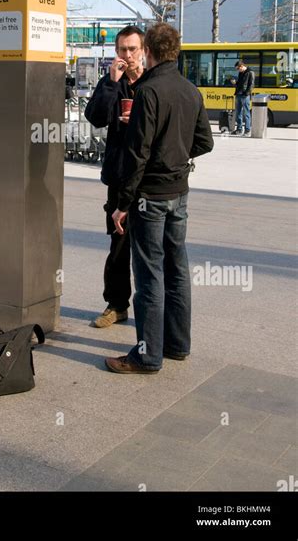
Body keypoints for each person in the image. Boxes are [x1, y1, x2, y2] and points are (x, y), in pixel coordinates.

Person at [105, 22, 214, 374]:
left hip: (149, 196)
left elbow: (137, 154)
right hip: (179, 192)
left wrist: (123, 203)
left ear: (148, 51)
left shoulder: (148, 92)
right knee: (177, 269)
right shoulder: (190, 90)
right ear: (177, 51)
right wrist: (176, 155)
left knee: (150, 275)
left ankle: (148, 355)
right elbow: (205, 142)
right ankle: (178, 345)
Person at [84, 25, 145, 328]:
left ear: (143, 50)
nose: (127, 55)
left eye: (132, 49)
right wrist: (111, 83)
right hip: (120, 176)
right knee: (118, 247)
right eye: (122, 49)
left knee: (149, 247)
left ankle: (151, 312)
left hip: (147, 178)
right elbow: (95, 117)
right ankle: (116, 305)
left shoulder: (151, 82)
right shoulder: (112, 82)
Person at [233, 60, 254, 136]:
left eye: (238, 68)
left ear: (241, 66)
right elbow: (240, 83)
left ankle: (247, 130)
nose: (238, 70)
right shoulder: (241, 73)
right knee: (238, 112)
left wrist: (246, 94)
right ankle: (239, 129)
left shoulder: (250, 72)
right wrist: (235, 83)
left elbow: (251, 85)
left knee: (246, 113)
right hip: (238, 94)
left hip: (245, 95)